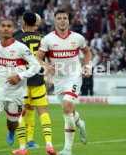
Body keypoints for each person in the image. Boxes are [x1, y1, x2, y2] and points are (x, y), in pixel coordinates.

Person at [0, 18, 41, 155]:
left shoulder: (21, 48)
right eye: (3, 26)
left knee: (11, 124)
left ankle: (11, 131)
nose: (6, 28)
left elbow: (37, 66)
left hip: (16, 94)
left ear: (13, 30)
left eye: (9, 26)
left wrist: (19, 76)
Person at [36, 9, 92, 155]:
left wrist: (88, 67)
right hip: (58, 80)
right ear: (55, 21)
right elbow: (37, 58)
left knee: (67, 107)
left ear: (68, 21)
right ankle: (80, 123)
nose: (62, 20)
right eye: (59, 18)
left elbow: (86, 52)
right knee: (69, 110)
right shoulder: (48, 39)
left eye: (65, 18)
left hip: (74, 76)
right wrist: (47, 67)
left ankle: (68, 149)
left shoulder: (77, 38)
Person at [13, 11, 56, 155]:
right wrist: (49, 76)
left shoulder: (16, 39)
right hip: (38, 79)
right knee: (43, 112)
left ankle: (22, 147)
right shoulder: (43, 39)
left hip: (22, 81)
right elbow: (48, 60)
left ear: (23, 22)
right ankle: (49, 144)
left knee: (19, 113)